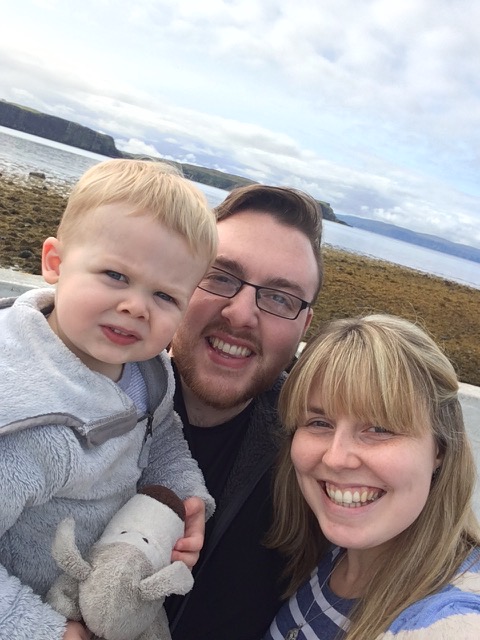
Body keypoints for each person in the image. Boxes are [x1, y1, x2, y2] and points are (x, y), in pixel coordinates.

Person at [0, 159, 218, 640]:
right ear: (55, 263)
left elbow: (161, 438)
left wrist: (185, 501)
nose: (136, 306)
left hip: (107, 590)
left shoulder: (149, 371)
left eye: (164, 296)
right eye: (115, 276)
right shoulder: (25, 417)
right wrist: (43, 630)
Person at [165, 184, 324, 640]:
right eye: (220, 276)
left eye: (280, 298)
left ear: (304, 327)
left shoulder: (317, 465)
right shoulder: (77, 390)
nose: (240, 314)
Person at [265, 314, 480, 640]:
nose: (336, 458)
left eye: (379, 428)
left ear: (440, 448)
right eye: (319, 423)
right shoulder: (334, 552)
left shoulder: (448, 620)